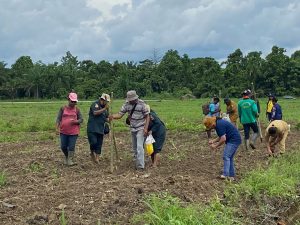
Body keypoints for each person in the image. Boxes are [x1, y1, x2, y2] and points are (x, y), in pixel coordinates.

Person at [109, 90, 150, 170]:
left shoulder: (142, 104)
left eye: (132, 100)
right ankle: (136, 162)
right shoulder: (126, 104)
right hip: (133, 128)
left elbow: (147, 116)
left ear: (135, 98)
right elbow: (120, 115)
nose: (131, 101)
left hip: (141, 127)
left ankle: (140, 166)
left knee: (139, 147)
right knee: (135, 147)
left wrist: (146, 128)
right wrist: (112, 116)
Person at [203, 116, 241, 180]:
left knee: (226, 156)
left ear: (212, 124)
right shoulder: (218, 123)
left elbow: (223, 139)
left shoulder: (219, 125)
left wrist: (215, 146)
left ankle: (225, 174)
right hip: (235, 139)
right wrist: (213, 141)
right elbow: (221, 136)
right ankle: (231, 176)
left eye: (210, 127)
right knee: (229, 157)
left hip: (233, 140)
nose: (211, 128)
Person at [56, 92, 83, 166]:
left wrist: (76, 121)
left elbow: (81, 119)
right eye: (72, 101)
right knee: (63, 146)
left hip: (74, 132)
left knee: (71, 146)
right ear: (68, 100)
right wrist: (56, 128)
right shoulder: (63, 108)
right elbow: (58, 119)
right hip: (63, 131)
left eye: (75, 102)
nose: (73, 103)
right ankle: (66, 156)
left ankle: (70, 159)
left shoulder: (77, 109)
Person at [87, 93, 110, 164]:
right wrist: (104, 109)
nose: (107, 103)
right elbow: (95, 113)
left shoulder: (106, 108)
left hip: (100, 128)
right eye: (107, 101)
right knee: (93, 142)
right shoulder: (95, 104)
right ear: (102, 100)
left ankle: (97, 158)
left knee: (99, 144)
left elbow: (106, 118)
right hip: (92, 128)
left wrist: (110, 119)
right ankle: (91, 152)